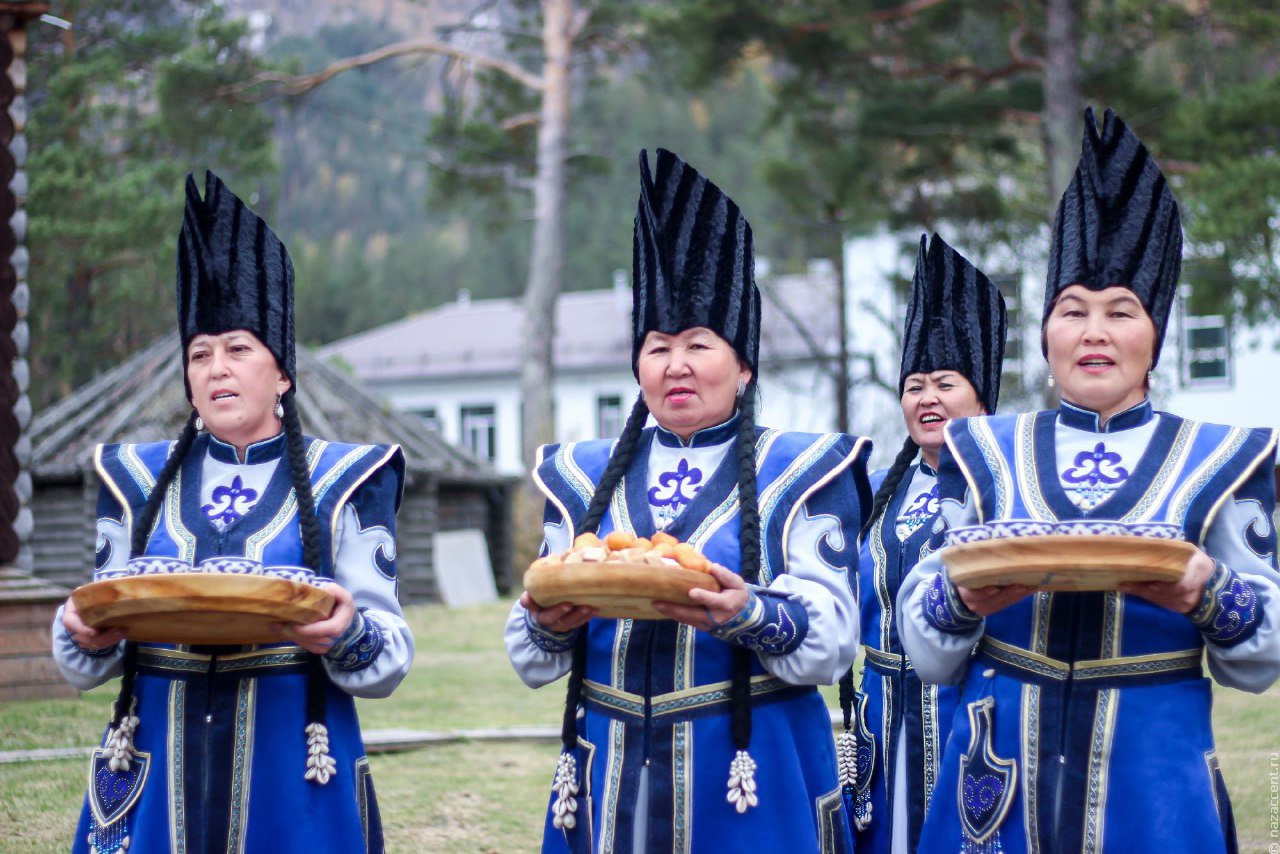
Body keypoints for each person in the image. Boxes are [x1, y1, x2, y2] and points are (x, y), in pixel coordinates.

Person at [899, 108, 1280, 853]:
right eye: (1073, 310)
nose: (1094, 331)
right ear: (1045, 332)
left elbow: (1260, 662)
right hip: (995, 781)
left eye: (1121, 311)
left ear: (1157, 333)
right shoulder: (981, 449)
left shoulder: (1223, 457)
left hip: (1156, 785)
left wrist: (1209, 591)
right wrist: (961, 595)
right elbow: (927, 648)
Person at [505, 148, 871, 853]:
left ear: (744, 366)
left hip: (748, 770)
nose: (675, 364)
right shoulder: (580, 476)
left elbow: (832, 646)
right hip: (606, 770)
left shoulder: (802, 468)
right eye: (657, 346)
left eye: (699, 344)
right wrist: (548, 621)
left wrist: (752, 613)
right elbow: (530, 660)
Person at [51, 172, 413, 853]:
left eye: (238, 349)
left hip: (291, 773)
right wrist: (83, 632)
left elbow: (390, 654)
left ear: (282, 373)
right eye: (200, 353)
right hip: (156, 772)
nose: (217, 368)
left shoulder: (348, 480)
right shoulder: (132, 478)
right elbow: (89, 641)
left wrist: (345, 632)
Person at [842, 233, 1005, 852]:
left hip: (974, 717)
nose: (926, 398)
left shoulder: (1014, 483)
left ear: (982, 398)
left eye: (945, 383)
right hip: (883, 721)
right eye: (914, 384)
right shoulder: (878, 488)